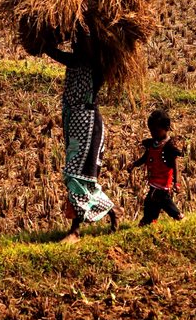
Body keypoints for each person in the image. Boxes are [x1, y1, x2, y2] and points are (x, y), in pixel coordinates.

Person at [43, 29, 118, 244]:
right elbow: (71, 57)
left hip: (87, 123)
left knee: (76, 175)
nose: (76, 44)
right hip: (73, 122)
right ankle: (110, 212)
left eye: (82, 41)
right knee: (76, 175)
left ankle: (75, 230)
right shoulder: (79, 60)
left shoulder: (97, 64)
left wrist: (48, 48)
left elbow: (71, 58)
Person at [133, 109, 185, 226]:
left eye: (155, 130)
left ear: (166, 128)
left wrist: (176, 182)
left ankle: (177, 215)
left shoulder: (168, 147)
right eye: (151, 131)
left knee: (159, 200)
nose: (153, 134)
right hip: (154, 181)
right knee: (154, 202)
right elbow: (145, 158)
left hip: (162, 183)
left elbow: (175, 166)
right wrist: (134, 164)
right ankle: (150, 220)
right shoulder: (152, 144)